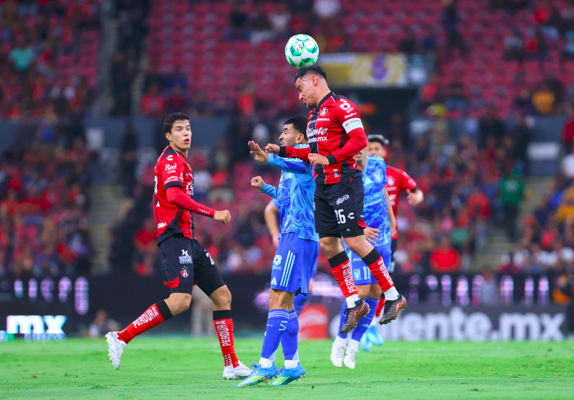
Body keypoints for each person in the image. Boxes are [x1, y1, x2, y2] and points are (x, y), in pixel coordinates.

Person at [106, 113, 251, 380]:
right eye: (179, 129)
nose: (186, 133)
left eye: (188, 128)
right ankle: (121, 337)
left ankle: (231, 364)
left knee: (222, 296)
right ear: (168, 136)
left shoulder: (179, 159)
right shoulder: (171, 160)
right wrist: (212, 213)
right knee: (180, 302)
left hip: (187, 240)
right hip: (174, 239)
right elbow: (173, 195)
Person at [264, 66, 406, 335]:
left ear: (313, 81)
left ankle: (393, 295)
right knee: (329, 243)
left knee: (354, 241)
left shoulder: (343, 106)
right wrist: (282, 151)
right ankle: (354, 302)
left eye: (300, 89)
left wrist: (329, 159)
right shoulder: (312, 116)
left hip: (344, 182)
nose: (299, 96)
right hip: (323, 187)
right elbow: (311, 153)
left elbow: (359, 140)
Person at [239, 116, 319, 387]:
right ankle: (292, 365)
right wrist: (265, 188)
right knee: (284, 302)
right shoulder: (289, 167)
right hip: (292, 234)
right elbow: (284, 200)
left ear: (300, 137)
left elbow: (300, 164)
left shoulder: (307, 157)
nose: (282, 136)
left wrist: (269, 159)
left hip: (299, 235)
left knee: (278, 298)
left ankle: (266, 364)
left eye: (286, 132)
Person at [330, 146, 396, 370]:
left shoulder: (378, 164)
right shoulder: (342, 174)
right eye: (353, 148)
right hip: (359, 238)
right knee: (360, 292)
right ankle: (340, 340)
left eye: (361, 147)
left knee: (377, 291)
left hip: (383, 238)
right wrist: (359, 229)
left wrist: (392, 220)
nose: (358, 151)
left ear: (366, 148)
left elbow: (383, 192)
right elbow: (335, 209)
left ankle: (354, 346)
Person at [366, 135, 424, 318]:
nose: (373, 152)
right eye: (369, 149)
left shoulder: (396, 174)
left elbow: (417, 191)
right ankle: (367, 321)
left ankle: (373, 323)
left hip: (388, 234)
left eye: (377, 149)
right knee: (364, 281)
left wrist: (417, 197)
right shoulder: (356, 173)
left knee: (383, 280)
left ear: (384, 152)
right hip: (363, 234)